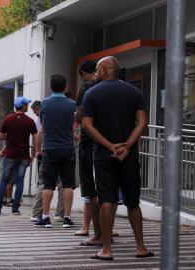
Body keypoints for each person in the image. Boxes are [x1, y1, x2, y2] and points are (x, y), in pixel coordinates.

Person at [82, 56, 153, 260]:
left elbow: (87, 124)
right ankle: (140, 247)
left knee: (107, 200)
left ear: (104, 70)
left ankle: (107, 249)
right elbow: (142, 122)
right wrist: (127, 146)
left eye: (97, 70)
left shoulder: (91, 93)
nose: (95, 74)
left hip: (104, 155)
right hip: (129, 155)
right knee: (133, 202)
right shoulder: (134, 92)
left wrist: (110, 145)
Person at [34, 74, 76, 228]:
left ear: (51, 87)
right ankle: (67, 217)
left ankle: (45, 217)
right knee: (68, 184)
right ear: (65, 87)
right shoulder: (72, 104)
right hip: (68, 148)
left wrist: (38, 150)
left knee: (48, 185)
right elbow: (73, 127)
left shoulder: (44, 104)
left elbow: (41, 130)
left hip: (50, 148)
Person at [73, 60, 102, 246]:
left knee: (89, 189)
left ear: (84, 72)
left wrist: (76, 127)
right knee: (105, 188)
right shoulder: (110, 87)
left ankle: (90, 229)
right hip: (107, 142)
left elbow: (79, 115)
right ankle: (107, 226)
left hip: (89, 142)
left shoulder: (86, 89)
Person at [0, 97, 37, 215]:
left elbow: (0, 136)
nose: (27, 106)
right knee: (20, 182)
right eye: (26, 105)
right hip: (23, 156)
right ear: (23, 106)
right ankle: (15, 208)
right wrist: (33, 155)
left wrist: (9, 137)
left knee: (4, 180)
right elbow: (34, 138)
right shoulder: (30, 121)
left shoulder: (7, 119)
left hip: (9, 155)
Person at [30, 100, 64, 223]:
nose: (36, 115)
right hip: (64, 151)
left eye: (35, 111)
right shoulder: (63, 115)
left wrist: (38, 151)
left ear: (40, 108)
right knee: (62, 184)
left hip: (48, 151)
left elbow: (40, 133)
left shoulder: (44, 116)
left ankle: (38, 214)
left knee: (44, 183)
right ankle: (61, 214)